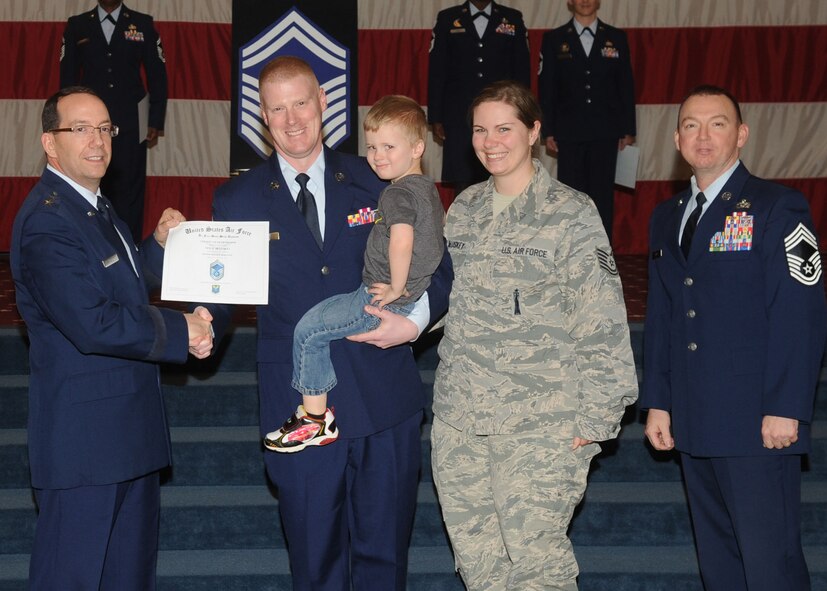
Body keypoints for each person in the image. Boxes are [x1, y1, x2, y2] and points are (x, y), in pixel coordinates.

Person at [204, 56, 452, 590]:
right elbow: (224, 290)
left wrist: (412, 326)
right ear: (262, 118)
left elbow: (439, 264)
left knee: (384, 557)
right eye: (277, 108)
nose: (292, 119)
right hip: (298, 404)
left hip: (382, 388)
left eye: (301, 102)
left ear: (323, 103)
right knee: (314, 560)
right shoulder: (236, 198)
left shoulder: (379, 176)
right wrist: (202, 317)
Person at [431, 80, 638, 591]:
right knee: (481, 569)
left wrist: (594, 422)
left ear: (534, 132)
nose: (490, 141)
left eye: (505, 128)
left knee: (537, 569)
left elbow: (602, 320)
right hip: (460, 422)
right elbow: (440, 304)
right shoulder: (463, 209)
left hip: (542, 423)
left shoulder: (571, 212)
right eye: (480, 129)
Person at [10, 86, 213, 590]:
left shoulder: (96, 207)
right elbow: (92, 320)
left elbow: (121, 281)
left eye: (105, 128)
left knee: (128, 578)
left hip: (129, 434)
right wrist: (179, 330)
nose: (97, 140)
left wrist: (159, 247)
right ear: (50, 143)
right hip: (85, 449)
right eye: (80, 129)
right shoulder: (46, 222)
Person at [642, 85, 827, 591]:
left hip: (757, 420)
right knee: (719, 562)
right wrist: (659, 402)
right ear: (677, 138)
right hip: (694, 417)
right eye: (691, 125)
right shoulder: (667, 215)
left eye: (717, 123)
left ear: (741, 134)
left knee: (771, 564)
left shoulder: (777, 207)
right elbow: (663, 317)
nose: (703, 136)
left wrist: (787, 405)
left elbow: (799, 313)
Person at [264, 95, 445, 453]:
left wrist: (396, 287)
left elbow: (403, 241)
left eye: (389, 146)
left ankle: (314, 420)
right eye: (373, 146)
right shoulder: (427, 190)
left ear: (417, 147)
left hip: (378, 298)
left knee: (309, 330)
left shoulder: (393, 193)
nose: (377, 156)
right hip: (395, 296)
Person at [60, 0, 168, 242]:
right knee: (90, 181)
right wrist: (67, 122)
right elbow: (67, 78)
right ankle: (95, 244)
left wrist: (155, 119)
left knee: (131, 188)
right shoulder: (77, 25)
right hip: (89, 124)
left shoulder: (142, 24)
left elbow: (157, 75)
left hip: (133, 121)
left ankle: (130, 250)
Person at [538, 0, 636, 243]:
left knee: (603, 198)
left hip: (606, 132)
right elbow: (547, 88)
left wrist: (628, 128)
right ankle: (570, 252)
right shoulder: (554, 39)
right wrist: (548, 130)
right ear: (570, 2)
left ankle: (602, 254)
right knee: (570, 197)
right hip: (569, 133)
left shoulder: (616, 38)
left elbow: (626, 86)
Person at [428, 0, 530, 194]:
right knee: (463, 179)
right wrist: (436, 117)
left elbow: (522, 72)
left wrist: (524, 113)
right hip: (459, 117)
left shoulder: (512, 19)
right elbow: (437, 71)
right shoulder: (448, 19)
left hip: (503, 116)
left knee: (503, 176)